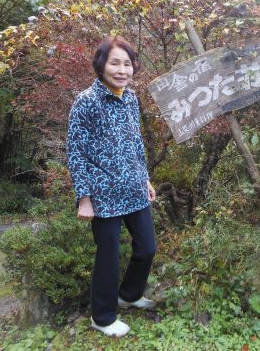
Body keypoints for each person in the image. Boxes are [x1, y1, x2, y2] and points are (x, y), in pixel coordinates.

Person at [66, 35, 157, 338]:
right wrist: (84, 198)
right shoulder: (86, 101)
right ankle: (102, 317)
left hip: (134, 189)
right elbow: (76, 152)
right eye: (114, 62)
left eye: (127, 63)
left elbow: (135, 143)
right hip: (102, 194)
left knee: (147, 248)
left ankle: (128, 295)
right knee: (108, 256)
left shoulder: (130, 98)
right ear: (101, 64)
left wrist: (145, 179)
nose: (121, 69)